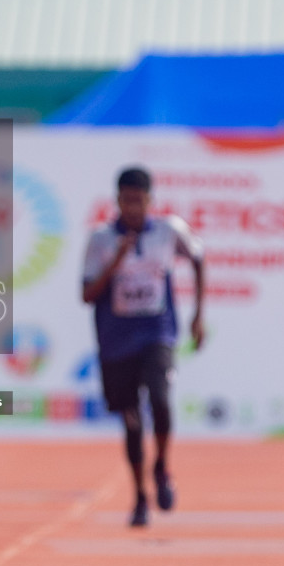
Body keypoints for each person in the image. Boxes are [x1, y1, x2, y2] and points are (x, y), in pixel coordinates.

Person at [82, 167, 206, 527]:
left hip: (158, 332)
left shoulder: (168, 231)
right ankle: (139, 496)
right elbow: (87, 294)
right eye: (126, 200)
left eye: (140, 200)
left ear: (150, 201)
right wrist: (116, 261)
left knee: (162, 400)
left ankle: (162, 466)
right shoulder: (101, 239)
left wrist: (198, 314)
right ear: (117, 200)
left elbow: (198, 258)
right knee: (132, 422)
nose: (133, 207)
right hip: (116, 340)